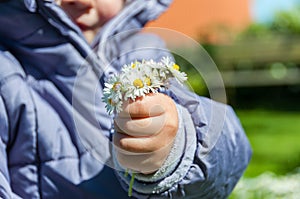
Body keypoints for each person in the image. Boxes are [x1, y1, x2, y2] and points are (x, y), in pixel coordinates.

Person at [0, 0, 252, 198]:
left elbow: (228, 148)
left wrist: (177, 145)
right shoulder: (7, 74)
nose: (80, 1)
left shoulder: (144, 54)